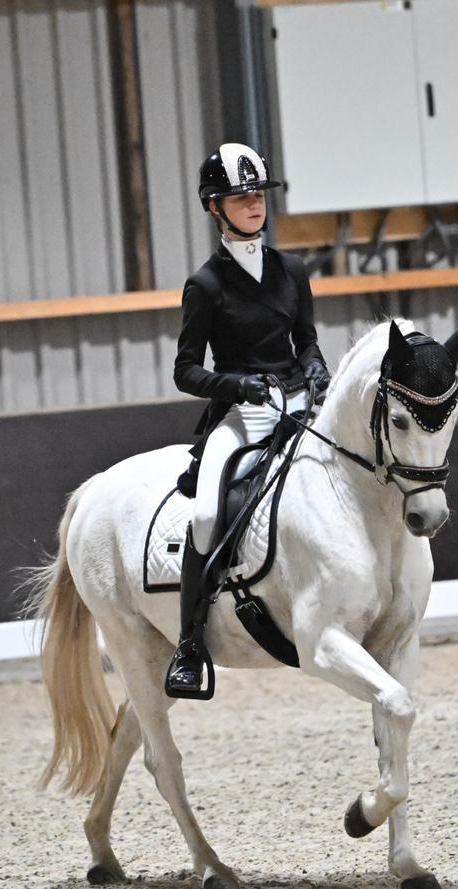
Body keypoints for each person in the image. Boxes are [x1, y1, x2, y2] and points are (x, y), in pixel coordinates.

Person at [166, 142, 331, 695]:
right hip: (242, 415)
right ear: (216, 207)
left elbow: (307, 343)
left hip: (297, 404)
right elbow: (186, 371)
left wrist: (317, 372)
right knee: (208, 515)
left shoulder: (292, 269)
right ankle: (190, 646)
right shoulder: (206, 285)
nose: (253, 203)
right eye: (240, 196)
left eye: (257, 193)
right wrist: (236, 383)